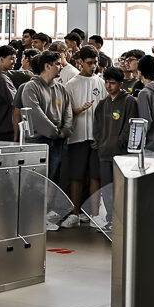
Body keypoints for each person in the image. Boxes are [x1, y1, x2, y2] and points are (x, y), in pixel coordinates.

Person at [17, 52, 69, 205]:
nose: (61, 67)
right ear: (47, 66)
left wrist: (66, 130)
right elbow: (35, 113)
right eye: (57, 64)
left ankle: (46, 211)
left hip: (58, 141)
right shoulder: (30, 87)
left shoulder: (61, 89)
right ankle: (32, 212)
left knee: (51, 180)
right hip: (37, 141)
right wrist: (54, 132)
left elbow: (68, 111)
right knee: (34, 182)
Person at [62, 47, 106, 214]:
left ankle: (94, 215)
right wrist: (79, 109)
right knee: (77, 177)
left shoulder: (101, 83)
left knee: (95, 177)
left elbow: (105, 112)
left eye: (95, 63)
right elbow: (65, 113)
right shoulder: (71, 85)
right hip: (77, 137)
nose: (93, 66)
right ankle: (75, 213)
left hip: (96, 138)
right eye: (89, 63)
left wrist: (100, 136)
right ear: (80, 62)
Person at [91, 66, 133, 192]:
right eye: (107, 82)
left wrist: (119, 142)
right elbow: (96, 126)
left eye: (113, 83)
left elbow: (130, 126)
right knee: (106, 190)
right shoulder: (102, 103)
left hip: (122, 155)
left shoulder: (129, 101)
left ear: (121, 84)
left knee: (121, 191)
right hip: (104, 153)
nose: (108, 86)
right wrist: (100, 142)